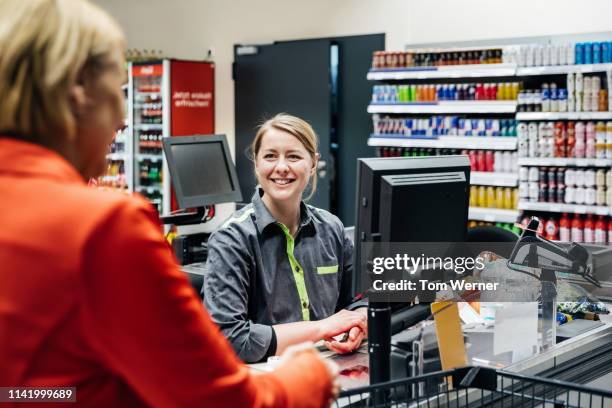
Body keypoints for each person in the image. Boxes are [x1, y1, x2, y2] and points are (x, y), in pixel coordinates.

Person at [0, 1, 338, 407]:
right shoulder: (103, 226)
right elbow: (217, 399)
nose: (124, 119)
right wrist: (310, 374)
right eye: (117, 93)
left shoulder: (331, 228)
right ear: (77, 95)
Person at [203, 114, 367, 364]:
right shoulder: (231, 240)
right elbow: (228, 339)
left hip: (330, 374)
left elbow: (359, 300)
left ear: (313, 163)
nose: (281, 167)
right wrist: (323, 328)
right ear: (256, 165)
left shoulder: (331, 229)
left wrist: (360, 323)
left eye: (293, 156)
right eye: (270, 156)